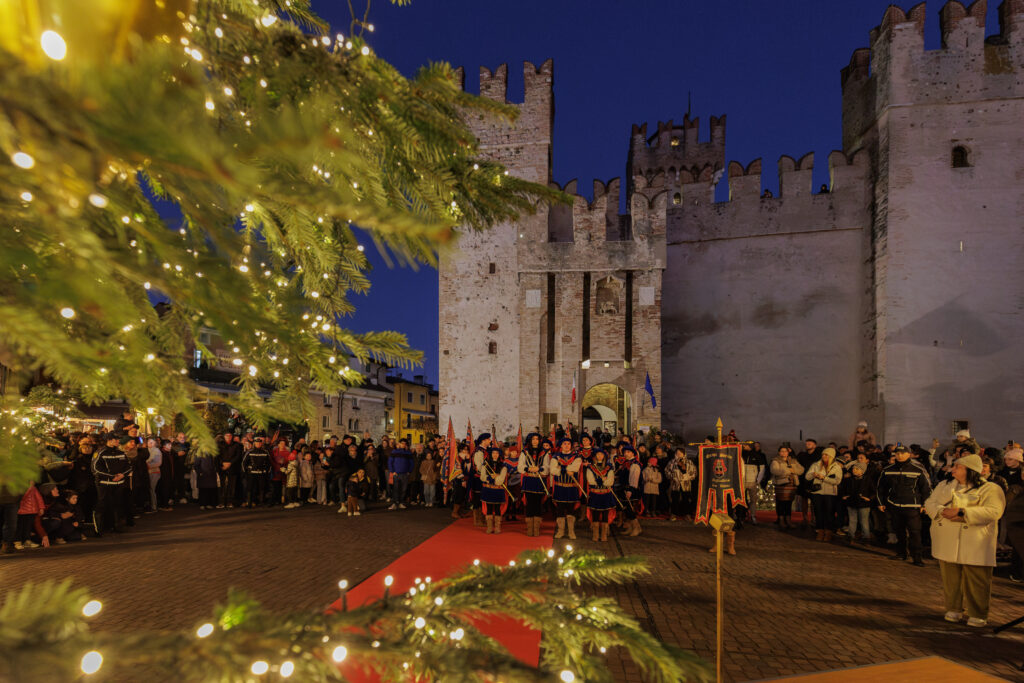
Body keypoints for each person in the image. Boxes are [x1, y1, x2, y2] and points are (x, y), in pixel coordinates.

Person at [924, 454, 1006, 627]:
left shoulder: (990, 489)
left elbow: (994, 511)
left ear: (971, 470)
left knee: (977, 580)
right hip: (948, 538)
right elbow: (930, 502)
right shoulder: (944, 485)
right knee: (950, 579)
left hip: (975, 541)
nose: (952, 469)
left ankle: (978, 613)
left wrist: (963, 513)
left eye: (958, 467)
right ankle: (953, 609)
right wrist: (941, 511)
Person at [877, 445, 932, 566]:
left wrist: (925, 504)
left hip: (912, 506)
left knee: (915, 532)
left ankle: (917, 558)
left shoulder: (918, 469)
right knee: (899, 531)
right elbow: (880, 488)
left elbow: (926, 489)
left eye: (902, 453)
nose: (900, 455)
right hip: (894, 505)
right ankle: (901, 553)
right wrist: (880, 503)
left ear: (908, 454)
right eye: (897, 453)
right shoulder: (888, 469)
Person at [93, 434, 131, 534]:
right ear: (109, 440)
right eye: (116, 439)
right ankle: (99, 529)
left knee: (117, 505)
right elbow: (95, 468)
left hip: (119, 484)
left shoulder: (121, 453)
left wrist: (122, 475)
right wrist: (111, 476)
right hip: (104, 484)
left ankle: (116, 526)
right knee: (102, 505)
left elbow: (129, 466)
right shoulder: (100, 452)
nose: (118, 441)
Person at [805, 446, 844, 541]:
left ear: (831, 456)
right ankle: (820, 530)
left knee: (829, 512)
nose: (824, 456)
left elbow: (837, 481)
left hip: (830, 493)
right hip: (817, 492)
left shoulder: (836, 467)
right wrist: (813, 474)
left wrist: (824, 478)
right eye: (823, 454)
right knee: (818, 512)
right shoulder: (816, 465)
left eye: (826, 455)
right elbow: (807, 477)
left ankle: (828, 531)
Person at [549, 438, 582, 540]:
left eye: (568, 444)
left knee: (571, 510)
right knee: (560, 510)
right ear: (561, 445)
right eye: (564, 444)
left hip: (571, 487)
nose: (567, 445)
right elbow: (553, 470)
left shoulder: (576, 457)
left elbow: (575, 468)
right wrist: (566, 469)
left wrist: (561, 468)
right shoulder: (555, 457)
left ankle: (571, 531)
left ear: (571, 446)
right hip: (559, 487)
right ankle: (561, 531)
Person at [518, 433, 548, 536]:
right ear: (530, 441)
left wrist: (539, 468)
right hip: (529, 480)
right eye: (533, 439)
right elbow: (520, 466)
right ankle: (530, 528)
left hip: (539, 481)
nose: (535, 441)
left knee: (538, 504)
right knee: (529, 504)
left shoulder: (544, 452)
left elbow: (547, 467)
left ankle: (536, 529)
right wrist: (529, 468)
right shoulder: (524, 452)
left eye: (537, 439)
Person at [770, 445, 804, 529]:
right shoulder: (776, 461)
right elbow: (775, 471)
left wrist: (793, 471)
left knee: (789, 503)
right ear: (779, 452)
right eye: (782, 451)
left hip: (792, 485)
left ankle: (788, 520)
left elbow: (801, 470)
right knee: (781, 503)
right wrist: (789, 471)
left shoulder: (793, 460)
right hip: (781, 484)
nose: (783, 453)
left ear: (788, 452)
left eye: (785, 451)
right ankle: (781, 520)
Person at [840, 461, 875, 542]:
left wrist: (869, 498)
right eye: (853, 469)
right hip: (851, 502)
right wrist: (844, 496)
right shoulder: (849, 480)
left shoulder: (868, 479)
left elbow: (873, 491)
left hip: (863, 503)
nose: (854, 470)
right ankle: (851, 536)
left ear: (862, 471)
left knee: (864, 521)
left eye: (857, 469)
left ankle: (866, 537)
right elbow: (843, 489)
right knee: (852, 520)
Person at [585, 449, 616, 541]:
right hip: (595, 494)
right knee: (595, 514)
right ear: (595, 456)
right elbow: (591, 481)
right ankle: (595, 535)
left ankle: (603, 535)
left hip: (606, 494)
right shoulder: (590, 468)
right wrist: (602, 479)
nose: (599, 456)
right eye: (597, 454)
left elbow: (610, 482)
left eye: (601, 454)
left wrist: (600, 481)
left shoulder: (609, 468)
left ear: (604, 456)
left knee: (605, 515)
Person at [616, 445, 643, 537]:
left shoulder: (635, 464)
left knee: (630, 510)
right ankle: (631, 528)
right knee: (626, 509)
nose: (626, 454)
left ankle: (637, 528)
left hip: (631, 489)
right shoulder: (626, 463)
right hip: (624, 489)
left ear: (633, 454)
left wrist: (630, 490)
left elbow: (634, 478)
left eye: (628, 452)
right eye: (625, 452)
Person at [480, 447, 508, 534]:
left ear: (499, 455)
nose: (495, 455)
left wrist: (493, 479)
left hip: (498, 490)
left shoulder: (503, 466)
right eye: (493, 453)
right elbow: (482, 477)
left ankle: (497, 527)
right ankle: (489, 527)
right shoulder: (485, 465)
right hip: (488, 489)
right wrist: (491, 477)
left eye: (497, 453)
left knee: (497, 509)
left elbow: (501, 480)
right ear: (490, 454)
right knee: (488, 508)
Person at [795, 438, 822, 528]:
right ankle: (805, 518)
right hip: (803, 480)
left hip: (814, 480)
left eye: (810, 443)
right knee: (804, 499)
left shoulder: (818, 456)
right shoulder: (802, 455)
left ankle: (814, 518)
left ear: (815, 445)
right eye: (807, 444)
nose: (807, 445)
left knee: (814, 500)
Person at [665, 447, 696, 521]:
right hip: (675, 484)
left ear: (684, 454)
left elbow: (694, 472)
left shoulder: (689, 462)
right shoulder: (672, 462)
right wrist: (672, 477)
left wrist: (688, 477)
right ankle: (673, 514)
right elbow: (667, 471)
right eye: (677, 453)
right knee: (674, 499)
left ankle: (687, 514)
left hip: (686, 484)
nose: (679, 454)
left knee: (686, 499)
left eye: (680, 453)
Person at [242, 436, 271, 507]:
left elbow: (269, 463)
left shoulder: (265, 452)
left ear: (261, 444)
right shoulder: (249, 452)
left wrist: (266, 472)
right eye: (257, 443)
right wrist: (245, 472)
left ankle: (261, 502)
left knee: (262, 488)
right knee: (250, 488)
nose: (258, 444)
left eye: (259, 443)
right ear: (254, 443)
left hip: (262, 473)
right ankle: (249, 502)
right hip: (251, 473)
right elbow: (244, 463)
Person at [216, 432, 243, 508]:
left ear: (232, 436)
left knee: (232, 486)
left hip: (233, 468)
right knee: (222, 486)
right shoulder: (219, 445)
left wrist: (230, 463)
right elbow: (217, 455)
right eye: (227, 435)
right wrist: (222, 463)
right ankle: (221, 502)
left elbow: (238, 456)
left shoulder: (237, 445)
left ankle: (230, 502)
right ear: (224, 436)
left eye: (230, 435)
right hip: (222, 467)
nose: (228, 437)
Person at [387, 439, 414, 510]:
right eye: (402, 443)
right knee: (396, 489)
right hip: (396, 474)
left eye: (405, 443)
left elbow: (411, 463)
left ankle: (401, 502)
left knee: (403, 489)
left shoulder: (408, 453)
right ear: (399, 444)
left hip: (405, 474)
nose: (403, 445)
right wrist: (392, 471)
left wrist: (409, 471)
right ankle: (395, 503)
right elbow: (390, 462)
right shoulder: (394, 452)